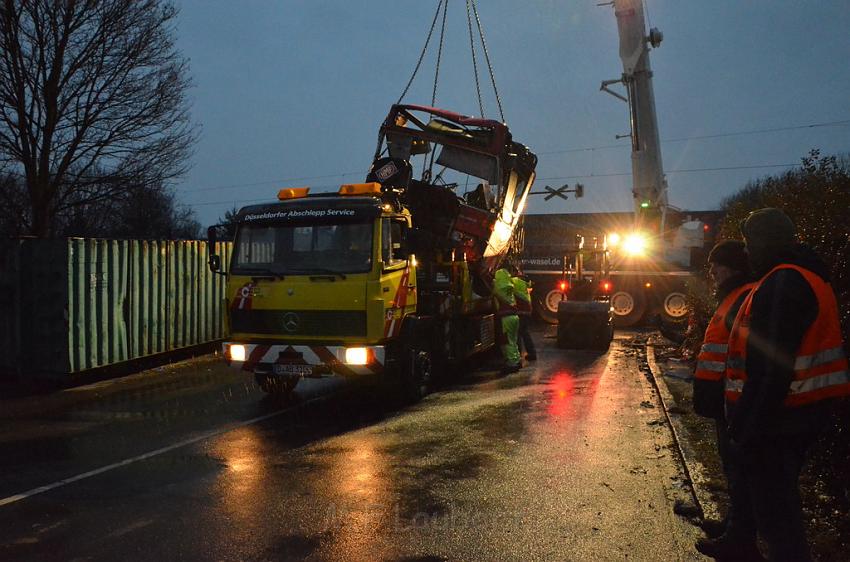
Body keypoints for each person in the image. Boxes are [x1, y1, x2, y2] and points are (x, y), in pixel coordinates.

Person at [712, 208, 849, 562]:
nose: (746, 251)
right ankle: (743, 545)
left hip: (780, 419)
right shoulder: (806, 277)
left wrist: (745, 427)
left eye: (749, 242)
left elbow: (770, 369)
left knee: (779, 520)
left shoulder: (783, 282)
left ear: (764, 242)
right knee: (776, 507)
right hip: (800, 414)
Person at [692, 241, 758, 558]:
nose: (712, 272)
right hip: (725, 397)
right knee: (733, 471)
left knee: (740, 472)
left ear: (730, 267)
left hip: (733, 398)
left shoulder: (742, 296)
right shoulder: (734, 295)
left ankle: (739, 542)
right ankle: (733, 526)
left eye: (715, 266)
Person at [493, 267, 521, 373]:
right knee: (513, 340)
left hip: (506, 318)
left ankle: (512, 364)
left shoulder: (498, 288)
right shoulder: (510, 286)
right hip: (515, 317)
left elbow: (491, 290)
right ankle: (517, 359)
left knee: (507, 341)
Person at [510, 265, 537, 361]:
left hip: (521, 310)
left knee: (518, 333)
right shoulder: (524, 282)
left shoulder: (515, 281)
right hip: (527, 310)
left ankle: (520, 354)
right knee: (524, 332)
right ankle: (531, 353)